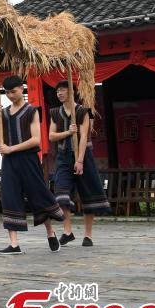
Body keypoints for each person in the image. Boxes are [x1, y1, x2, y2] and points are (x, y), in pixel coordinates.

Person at [0, 75, 64, 255]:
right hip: (9, 161)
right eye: (7, 92)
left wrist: (11, 148)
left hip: (28, 159)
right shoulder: (5, 112)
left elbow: (35, 140)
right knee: (10, 197)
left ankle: (50, 232)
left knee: (38, 195)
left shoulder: (31, 111)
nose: (10, 95)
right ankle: (14, 243)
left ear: (21, 89)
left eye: (13, 91)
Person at [49, 80, 111, 247]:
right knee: (61, 193)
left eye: (62, 90)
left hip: (84, 157)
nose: (59, 94)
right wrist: (67, 132)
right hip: (63, 157)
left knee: (88, 195)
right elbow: (51, 136)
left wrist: (80, 161)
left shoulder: (84, 111)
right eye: (57, 91)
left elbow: (84, 137)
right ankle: (67, 231)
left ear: (71, 91)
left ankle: (88, 236)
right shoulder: (55, 112)